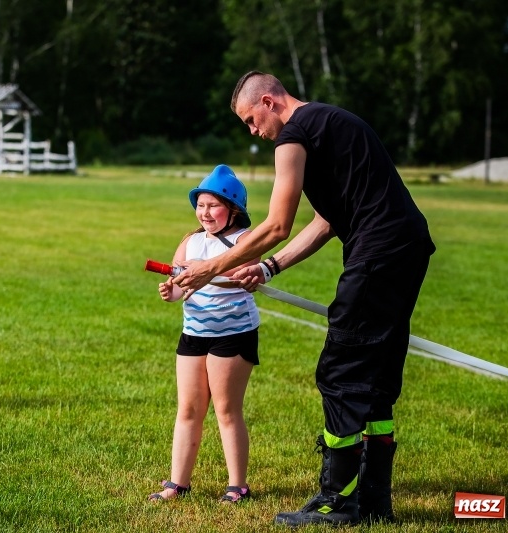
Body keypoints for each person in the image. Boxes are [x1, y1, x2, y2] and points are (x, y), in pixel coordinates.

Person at [172, 71, 435, 527]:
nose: (254, 132)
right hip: (407, 248)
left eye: (252, 120)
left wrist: (210, 268)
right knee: (375, 377)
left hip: (378, 253)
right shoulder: (330, 123)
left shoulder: (294, 133)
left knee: (341, 371)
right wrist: (270, 266)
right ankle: (374, 501)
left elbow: (276, 225)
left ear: (270, 101)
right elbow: (327, 220)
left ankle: (338, 500)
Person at [149, 164, 262, 505]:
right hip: (194, 333)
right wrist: (173, 292)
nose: (205, 212)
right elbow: (181, 283)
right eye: (200, 205)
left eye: (213, 205)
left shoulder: (244, 242)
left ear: (233, 209)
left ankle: (237, 486)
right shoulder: (190, 242)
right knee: (188, 409)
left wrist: (215, 274)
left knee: (227, 411)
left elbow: (245, 276)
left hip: (233, 332)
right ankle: (177, 484)